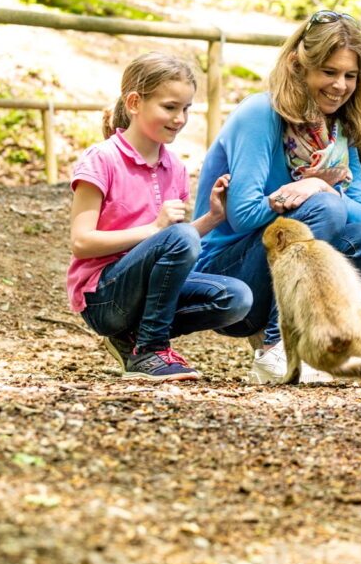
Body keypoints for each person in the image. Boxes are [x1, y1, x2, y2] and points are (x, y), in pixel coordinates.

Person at [193, 11, 361, 383]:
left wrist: (320, 185)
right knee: (326, 209)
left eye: (350, 75)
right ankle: (276, 346)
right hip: (229, 275)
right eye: (329, 72)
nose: (340, 86)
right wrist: (311, 197)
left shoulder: (338, 132)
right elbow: (243, 214)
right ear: (299, 65)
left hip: (280, 267)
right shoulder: (260, 114)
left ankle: (319, 347)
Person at [68, 52, 253, 382]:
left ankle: (132, 339)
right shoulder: (102, 159)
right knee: (178, 236)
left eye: (186, 109)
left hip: (148, 291)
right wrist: (154, 228)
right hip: (103, 298)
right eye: (169, 107)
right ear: (135, 103)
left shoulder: (175, 167)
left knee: (236, 298)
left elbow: (172, 249)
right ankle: (150, 349)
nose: (180, 119)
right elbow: (81, 243)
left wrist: (213, 217)